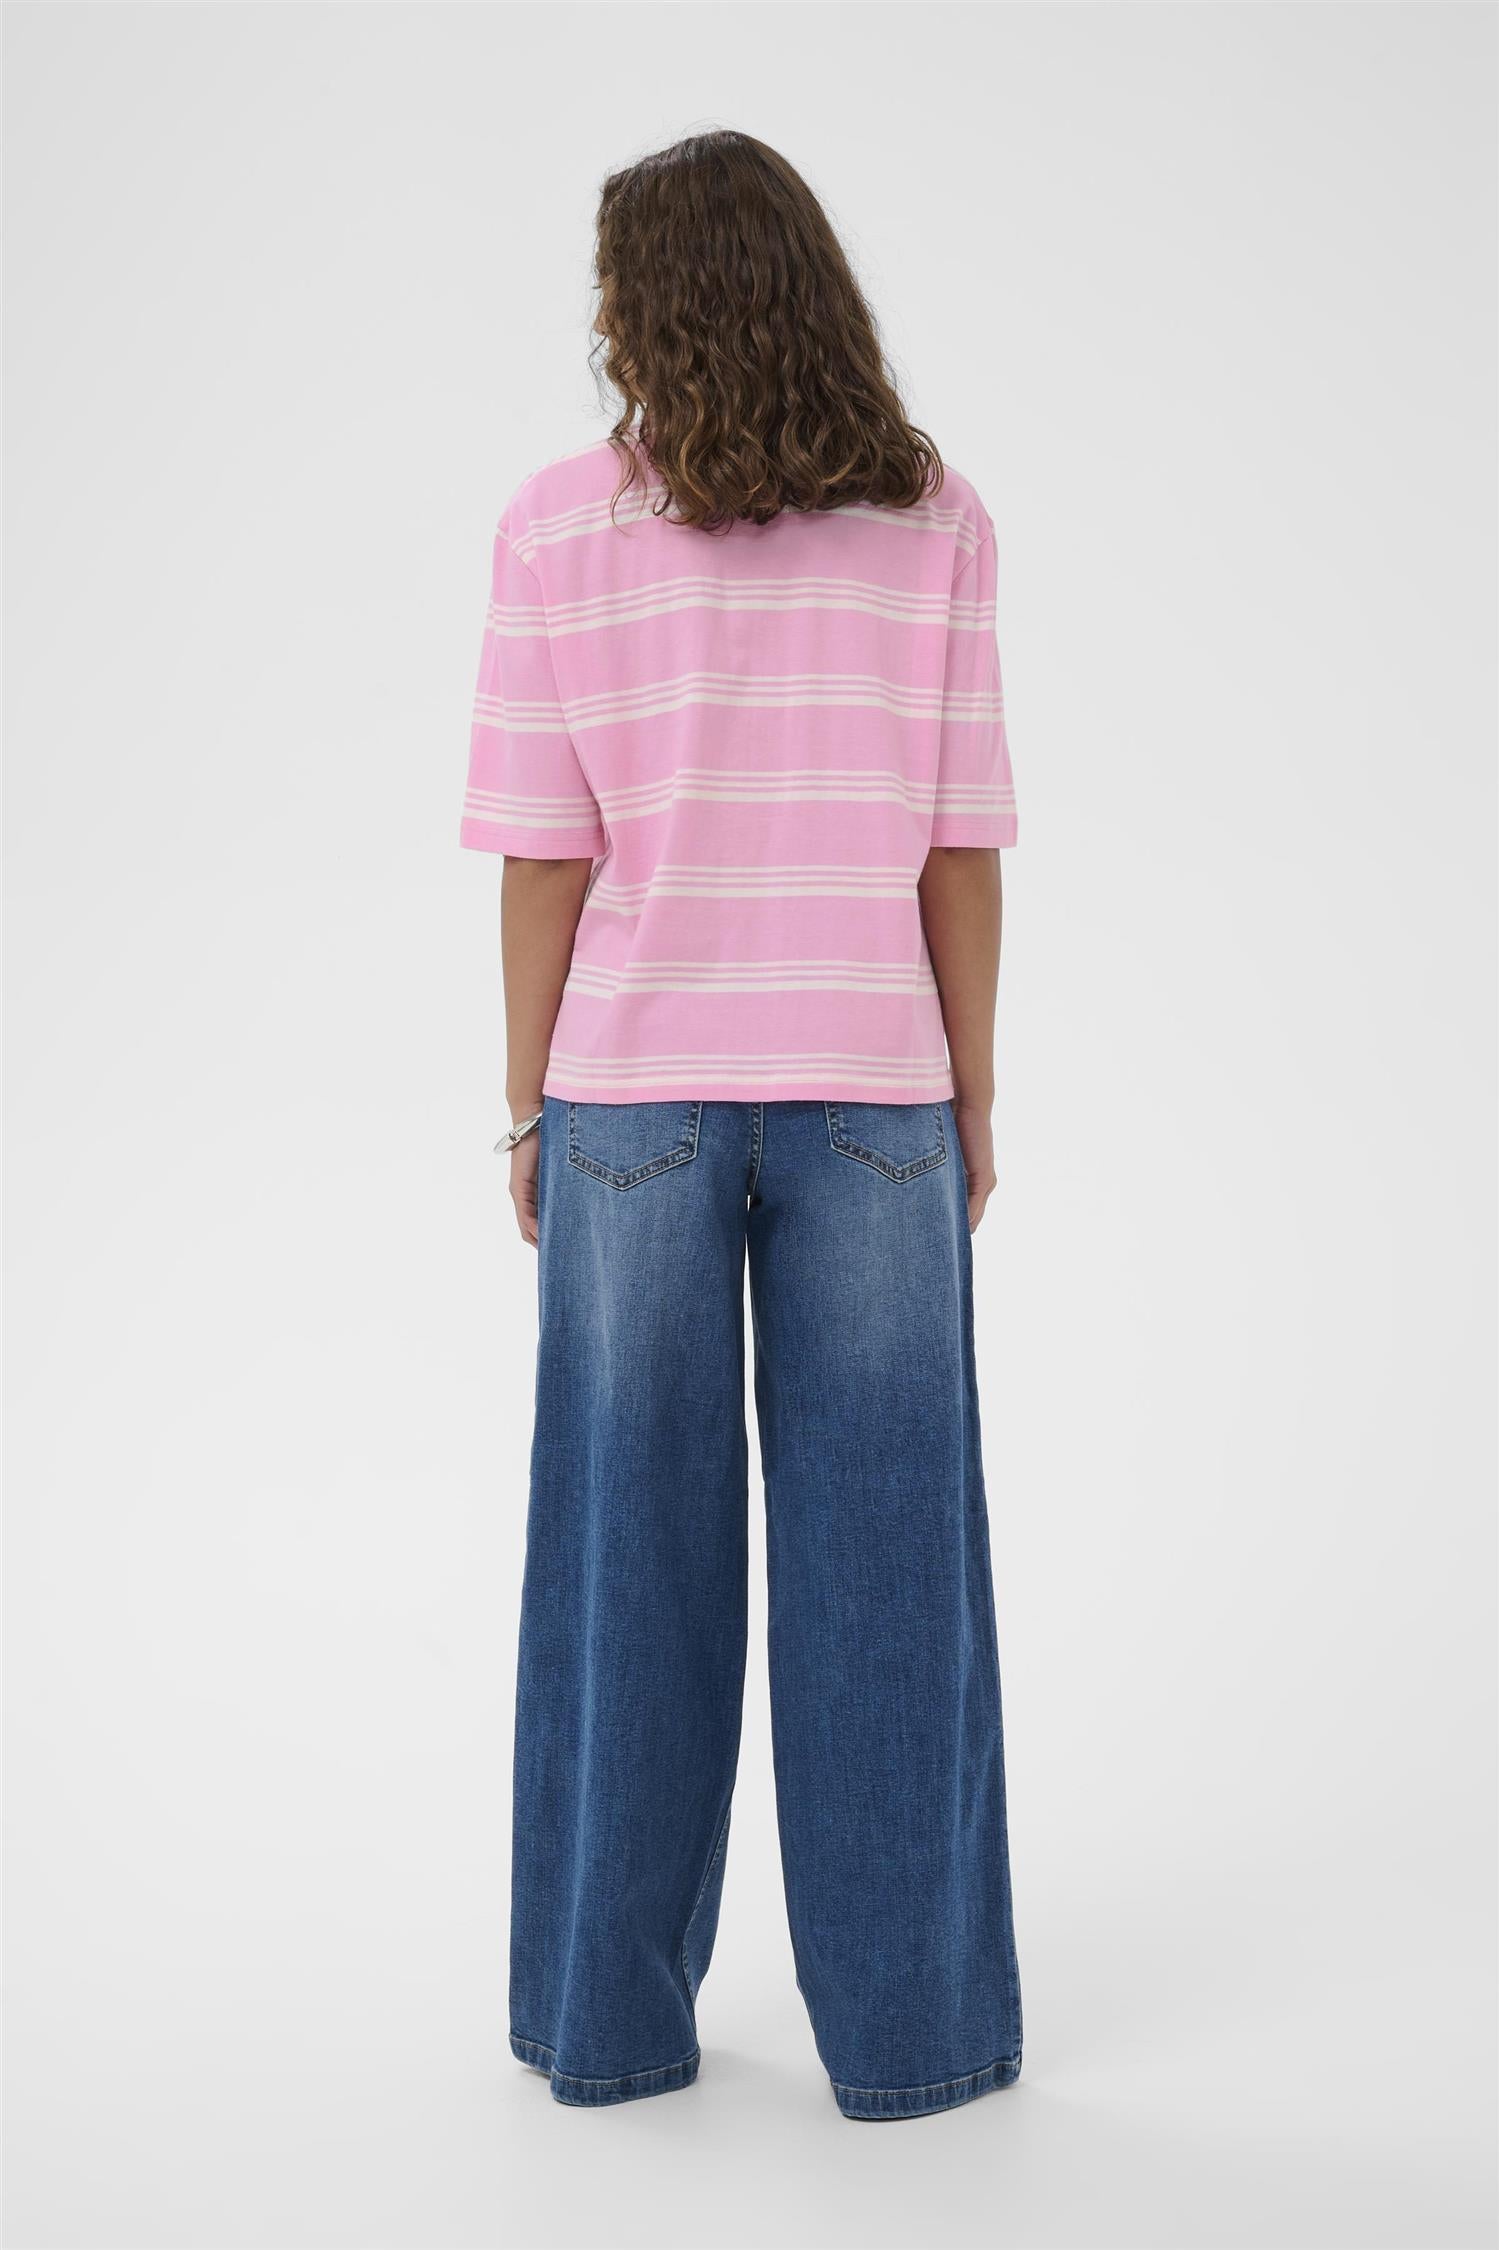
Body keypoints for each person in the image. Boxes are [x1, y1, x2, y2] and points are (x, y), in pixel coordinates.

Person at [460, 129, 1022, 2122]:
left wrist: (522, 1104)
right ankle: (916, 2039)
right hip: (877, 1088)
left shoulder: (555, 530)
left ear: (637, 309)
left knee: (627, 1563)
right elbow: (959, 848)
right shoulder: (934, 519)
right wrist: (972, 1090)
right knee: (891, 1576)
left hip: (629, 1100)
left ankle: (605, 2029)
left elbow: (546, 861)